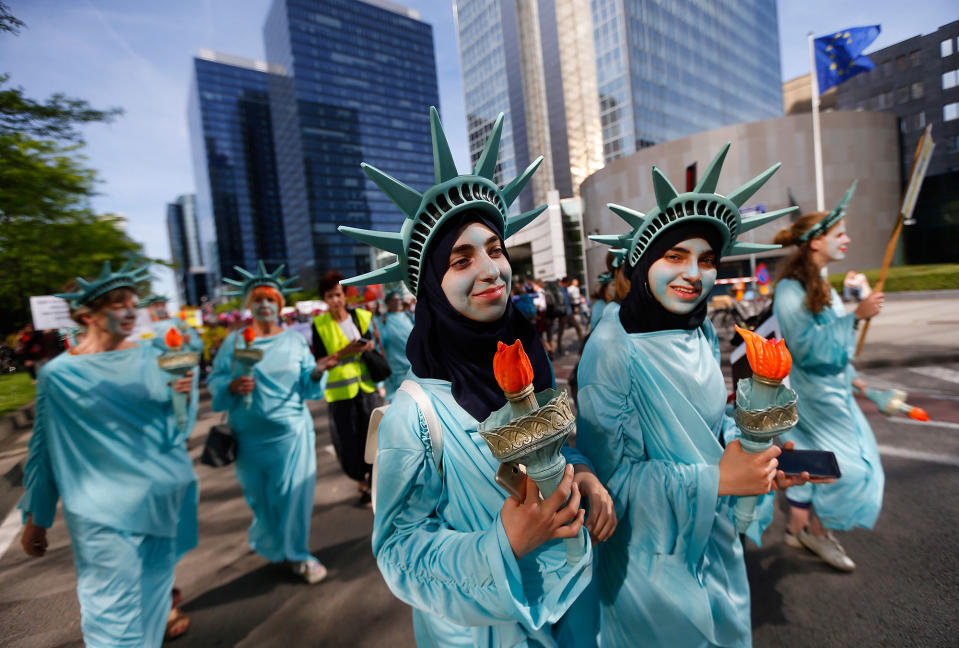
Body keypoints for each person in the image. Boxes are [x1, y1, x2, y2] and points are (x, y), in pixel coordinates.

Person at [338, 107, 616, 647]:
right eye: (461, 260)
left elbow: (555, 452)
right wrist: (503, 545)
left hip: (576, 602)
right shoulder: (414, 415)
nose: (490, 270)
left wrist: (582, 473)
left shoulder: (528, 357)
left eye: (495, 250)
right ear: (432, 288)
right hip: (487, 629)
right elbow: (398, 551)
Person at [577, 144, 814, 647]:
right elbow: (609, 487)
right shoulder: (611, 350)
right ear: (642, 263)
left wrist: (755, 456)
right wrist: (716, 479)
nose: (694, 274)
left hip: (715, 542)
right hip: (650, 570)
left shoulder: (700, 330)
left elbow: (712, 427)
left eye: (707, 260)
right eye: (675, 255)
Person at [19, 260, 199, 647]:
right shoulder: (58, 375)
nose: (131, 311)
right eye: (118, 304)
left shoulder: (157, 356)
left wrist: (182, 396)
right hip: (100, 513)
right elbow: (43, 447)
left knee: (152, 605)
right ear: (87, 315)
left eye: (132, 302)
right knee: (110, 618)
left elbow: (178, 430)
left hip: (160, 499)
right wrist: (37, 515)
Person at [772, 182, 886, 572]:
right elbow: (804, 348)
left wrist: (858, 381)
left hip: (837, 397)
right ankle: (813, 532)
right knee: (846, 470)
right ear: (815, 243)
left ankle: (808, 528)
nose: (848, 240)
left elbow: (835, 348)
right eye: (840, 234)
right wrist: (856, 316)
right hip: (814, 400)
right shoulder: (789, 289)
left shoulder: (823, 285)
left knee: (849, 466)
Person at [209, 261, 334, 583]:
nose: (264, 305)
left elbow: (308, 385)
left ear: (279, 306)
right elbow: (217, 381)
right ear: (249, 306)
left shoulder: (294, 341)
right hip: (248, 437)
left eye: (270, 300)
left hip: (291, 434)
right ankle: (274, 541)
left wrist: (319, 371)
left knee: (293, 497)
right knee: (261, 501)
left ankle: (298, 554)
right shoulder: (233, 342)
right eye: (258, 300)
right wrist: (230, 386)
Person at [312, 270, 383, 505]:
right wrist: (345, 352)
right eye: (330, 296)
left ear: (345, 295)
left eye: (338, 295)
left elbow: (375, 346)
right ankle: (360, 481)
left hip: (367, 388)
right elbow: (321, 360)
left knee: (374, 437)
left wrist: (368, 346)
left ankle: (373, 482)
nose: (335, 300)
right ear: (324, 298)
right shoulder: (319, 324)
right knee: (348, 441)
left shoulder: (362, 316)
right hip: (340, 393)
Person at [380, 290, 415, 402]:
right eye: (394, 300)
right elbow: (380, 344)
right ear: (388, 303)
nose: (397, 302)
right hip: (395, 370)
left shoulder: (409, 316)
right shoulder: (383, 320)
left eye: (399, 299)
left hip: (413, 367)